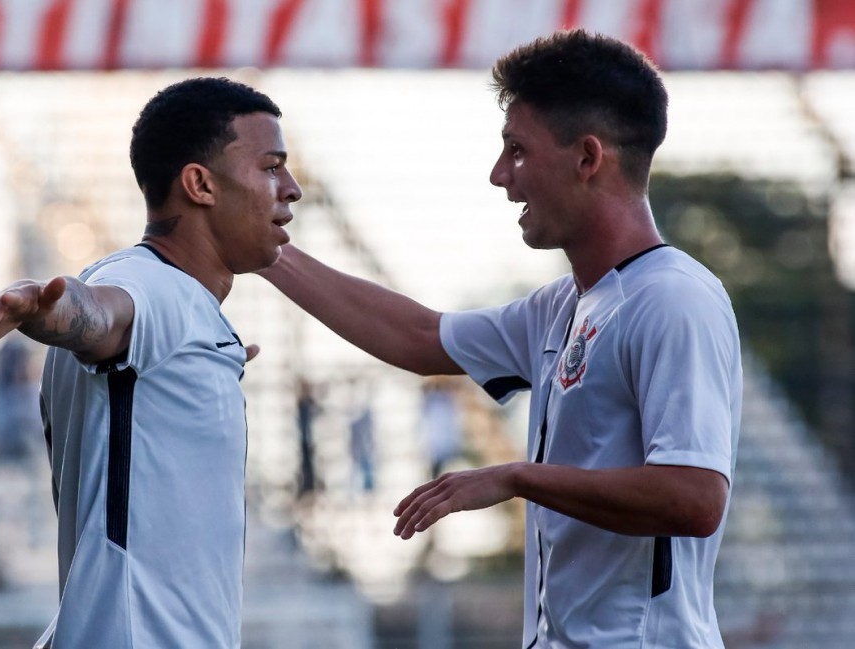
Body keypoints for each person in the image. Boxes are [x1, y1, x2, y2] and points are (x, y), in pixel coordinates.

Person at [258, 29, 741, 649]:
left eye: (516, 150)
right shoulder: (564, 304)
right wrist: (268, 252)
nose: (498, 175)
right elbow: (418, 336)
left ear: (588, 158)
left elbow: (694, 498)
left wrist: (519, 477)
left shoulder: (673, 299)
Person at [0, 77, 302, 648]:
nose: (291, 188)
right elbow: (96, 316)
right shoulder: (154, 287)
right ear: (199, 184)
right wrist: (41, 310)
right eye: (271, 167)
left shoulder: (175, 308)